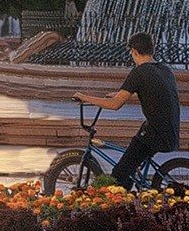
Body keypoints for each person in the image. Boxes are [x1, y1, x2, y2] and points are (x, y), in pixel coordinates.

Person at [73, 32, 183, 189]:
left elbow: (115, 105)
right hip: (170, 131)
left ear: (135, 52)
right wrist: (121, 94)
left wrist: (84, 97)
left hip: (153, 134)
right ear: (152, 49)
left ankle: (122, 197)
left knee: (119, 174)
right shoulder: (165, 69)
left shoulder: (139, 72)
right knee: (130, 166)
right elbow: (155, 92)